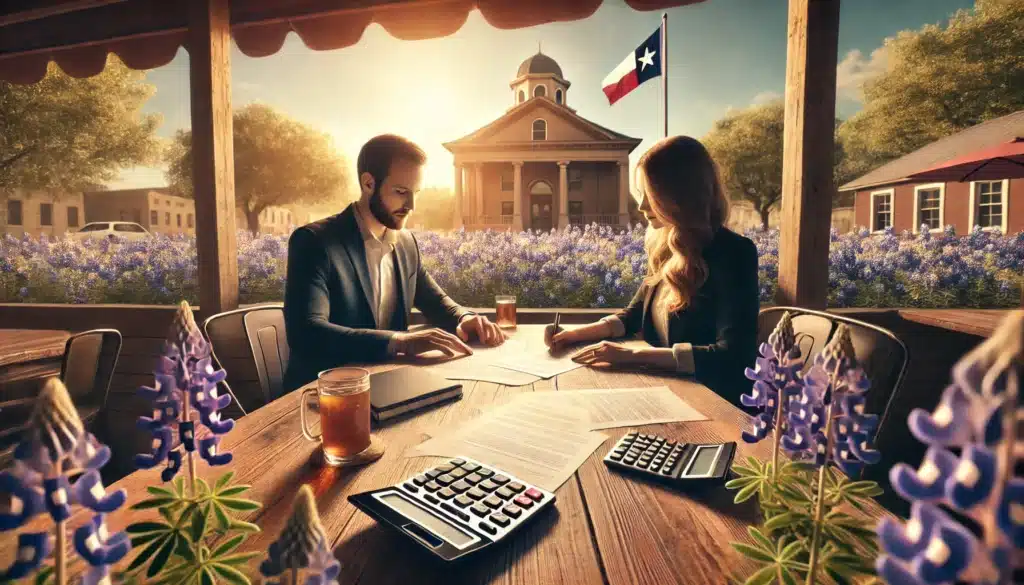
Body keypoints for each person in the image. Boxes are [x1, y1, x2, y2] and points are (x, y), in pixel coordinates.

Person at [545, 135, 759, 405]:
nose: (642, 205)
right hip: (664, 390)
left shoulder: (734, 253)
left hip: (711, 400)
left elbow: (733, 355)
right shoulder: (666, 247)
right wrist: (575, 334)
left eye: (652, 193)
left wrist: (632, 356)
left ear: (680, 194)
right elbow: (633, 316)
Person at [283, 134, 506, 393]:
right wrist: (400, 342)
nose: (411, 205)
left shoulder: (406, 243)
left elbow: (435, 301)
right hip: (321, 396)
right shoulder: (315, 241)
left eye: (415, 193)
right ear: (368, 183)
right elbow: (307, 333)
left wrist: (465, 317)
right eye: (401, 192)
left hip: (387, 388)